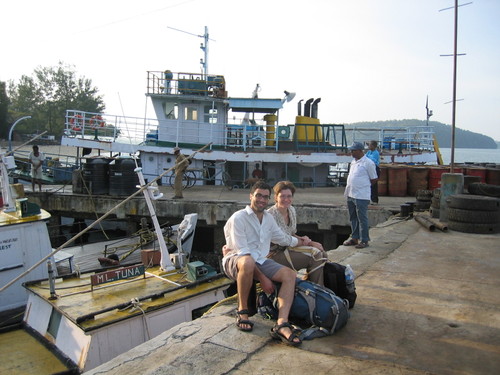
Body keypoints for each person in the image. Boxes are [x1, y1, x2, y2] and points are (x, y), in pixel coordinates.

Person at [222, 180, 312, 346]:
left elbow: (284, 238)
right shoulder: (239, 218)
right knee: (248, 262)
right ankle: (242, 311)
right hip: (235, 259)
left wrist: (307, 243)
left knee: (289, 274)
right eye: (258, 196)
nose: (262, 200)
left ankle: (281, 323)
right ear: (251, 196)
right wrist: (263, 278)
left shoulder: (269, 219)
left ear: (269, 199)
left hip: (259, 260)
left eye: (265, 197)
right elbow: (243, 253)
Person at [267, 181, 327, 285]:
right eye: (282, 196)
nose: (286, 199)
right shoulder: (270, 215)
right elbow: (284, 240)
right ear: (276, 197)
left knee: (323, 253)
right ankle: (317, 290)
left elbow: (291, 234)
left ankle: (312, 287)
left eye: (289, 196)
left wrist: (304, 239)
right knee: (316, 256)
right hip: (274, 254)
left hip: (288, 247)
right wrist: (309, 243)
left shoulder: (291, 210)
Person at [343, 142, 378, 249]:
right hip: (350, 193)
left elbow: (374, 179)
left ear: (360, 150)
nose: (351, 152)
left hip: (361, 195)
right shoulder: (353, 162)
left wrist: (363, 186)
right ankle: (354, 237)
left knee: (362, 218)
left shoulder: (368, 163)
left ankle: (364, 240)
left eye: (353, 151)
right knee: (353, 217)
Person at [365, 140, 381, 204]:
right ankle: (368, 198)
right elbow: (365, 157)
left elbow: (372, 160)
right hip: (369, 168)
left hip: (375, 168)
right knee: (368, 184)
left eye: (370, 145)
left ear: (373, 146)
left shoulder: (376, 153)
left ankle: (375, 200)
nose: (368, 146)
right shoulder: (369, 152)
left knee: (374, 185)